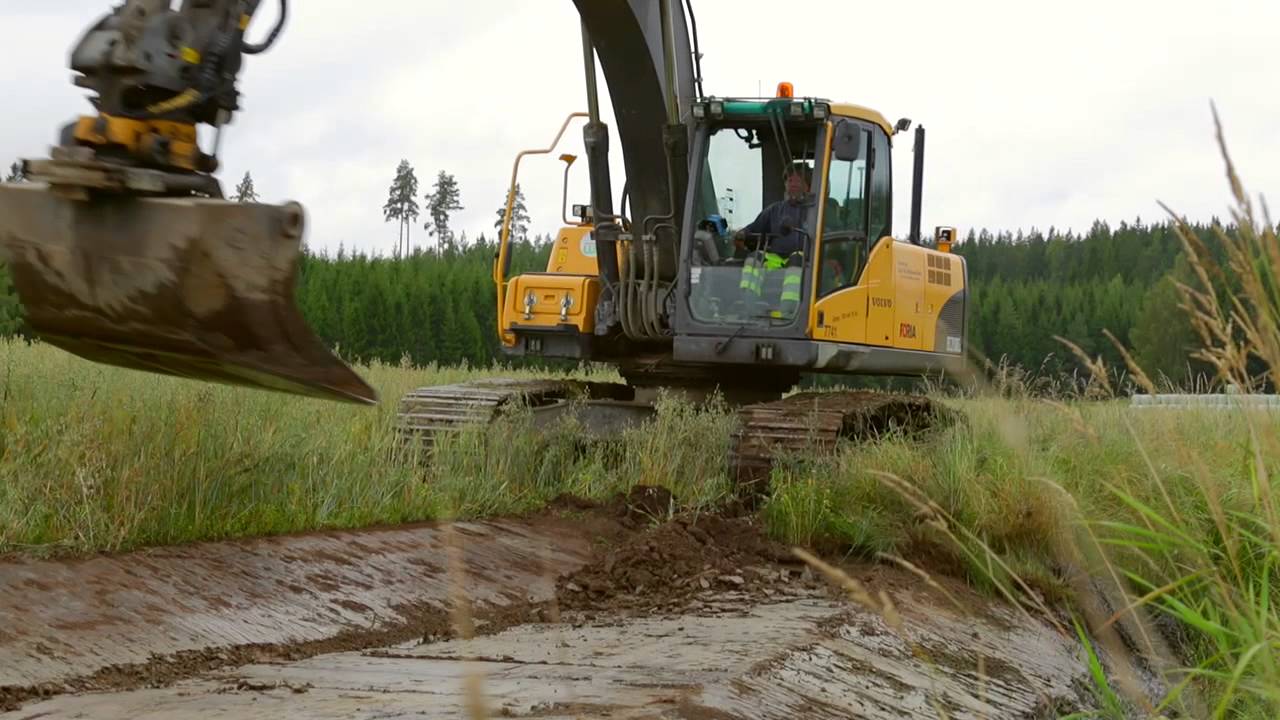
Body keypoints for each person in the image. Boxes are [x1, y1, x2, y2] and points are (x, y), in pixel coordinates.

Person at [732, 165, 815, 319]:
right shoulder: (774, 210)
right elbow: (753, 227)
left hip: (802, 257)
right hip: (775, 259)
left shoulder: (815, 210)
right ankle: (749, 307)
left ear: (808, 185)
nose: (793, 184)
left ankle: (788, 312)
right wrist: (742, 233)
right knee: (754, 257)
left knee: (797, 259)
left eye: (798, 181)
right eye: (790, 181)